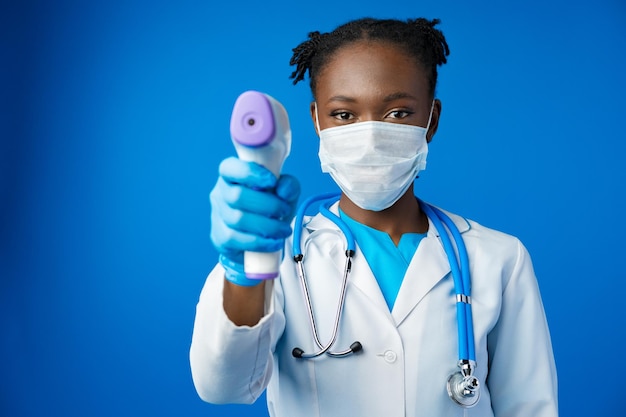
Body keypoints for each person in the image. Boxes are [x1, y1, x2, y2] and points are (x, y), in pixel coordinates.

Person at [190, 17, 558, 417]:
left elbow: (530, 408)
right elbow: (222, 385)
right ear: (316, 120)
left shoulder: (499, 258)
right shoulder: (274, 257)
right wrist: (245, 270)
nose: (369, 137)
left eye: (398, 113)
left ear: (431, 119)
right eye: (344, 115)